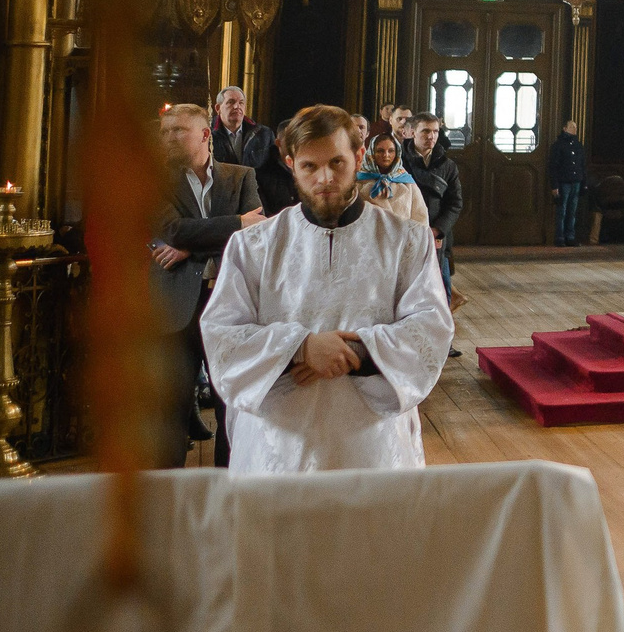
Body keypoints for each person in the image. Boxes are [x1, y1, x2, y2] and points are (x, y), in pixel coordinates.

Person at [199, 106, 454, 471]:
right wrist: (300, 348)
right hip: (277, 450)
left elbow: (431, 327)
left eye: (337, 163)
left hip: (374, 447)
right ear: (290, 164)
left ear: (358, 156)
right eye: (309, 166)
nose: (325, 178)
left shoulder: (406, 240)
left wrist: (357, 350)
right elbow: (223, 335)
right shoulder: (252, 246)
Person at [151, 103, 265, 466]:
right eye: (165, 131)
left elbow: (256, 237)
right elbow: (173, 230)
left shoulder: (241, 176)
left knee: (232, 403)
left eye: (178, 131)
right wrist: (234, 224)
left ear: (204, 135)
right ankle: (166, 499)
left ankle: (227, 491)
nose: (168, 138)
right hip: (175, 306)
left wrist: (188, 250)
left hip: (229, 304)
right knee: (169, 411)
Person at [404, 112, 465, 348]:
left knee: (441, 289)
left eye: (436, 132)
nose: (431, 137)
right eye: (425, 132)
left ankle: (442, 343)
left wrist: (437, 229)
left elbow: (455, 202)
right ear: (412, 133)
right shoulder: (399, 162)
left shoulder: (447, 165)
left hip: (438, 238)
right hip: (408, 235)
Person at [212, 83, 296, 212]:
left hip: (255, 199)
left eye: (241, 103)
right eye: (231, 102)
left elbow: (275, 168)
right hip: (220, 200)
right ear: (218, 108)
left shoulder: (263, 134)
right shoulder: (207, 134)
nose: (237, 107)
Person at [356, 133, 427, 229]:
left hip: (402, 240)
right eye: (380, 151)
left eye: (391, 151)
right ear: (372, 153)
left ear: (397, 153)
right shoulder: (359, 181)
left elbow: (420, 218)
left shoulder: (407, 181)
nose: (386, 155)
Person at [549, 119, 588, 246]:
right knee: (562, 211)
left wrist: (584, 182)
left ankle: (570, 236)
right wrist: (554, 185)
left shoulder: (578, 145)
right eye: (572, 127)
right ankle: (560, 237)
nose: (574, 129)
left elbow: (582, 165)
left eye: (575, 127)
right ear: (564, 128)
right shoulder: (558, 146)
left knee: (572, 211)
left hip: (576, 181)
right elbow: (553, 167)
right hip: (563, 182)